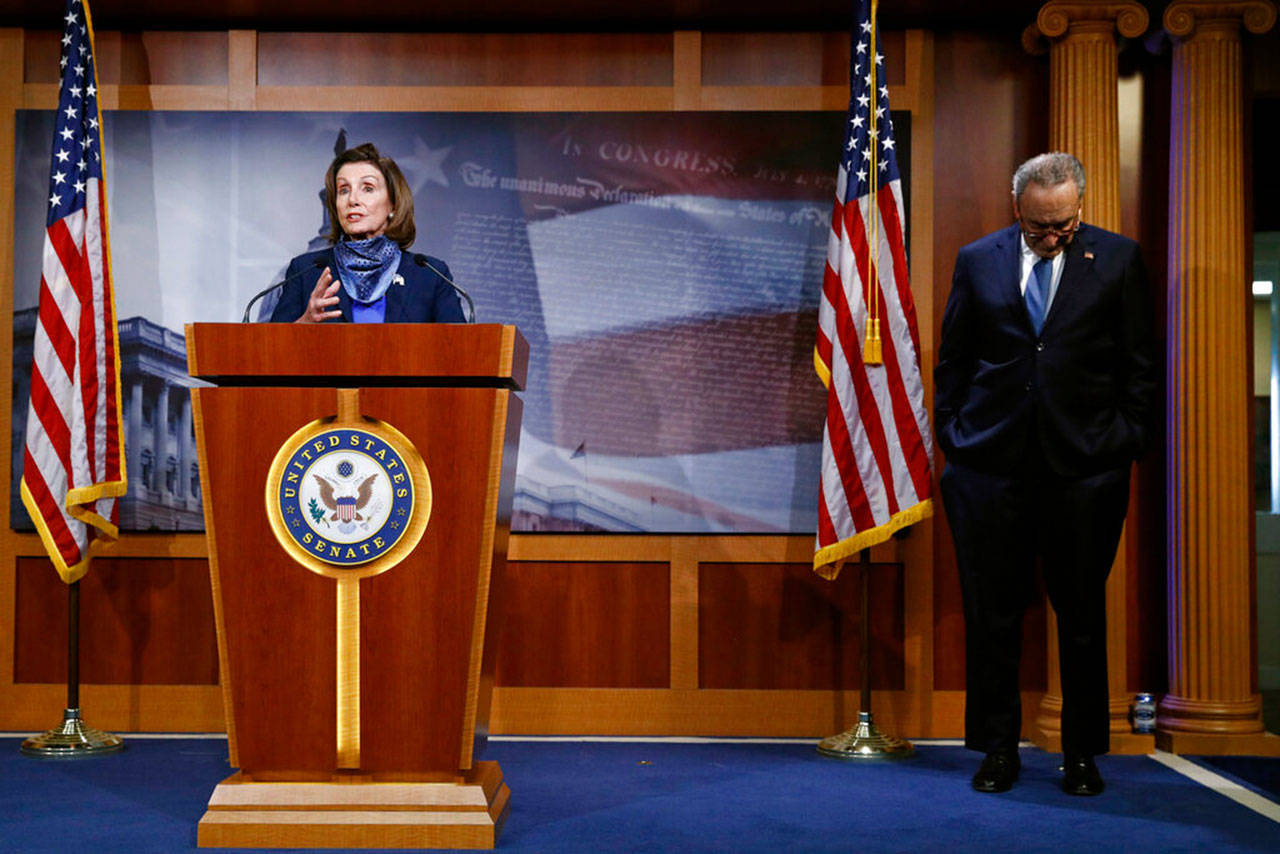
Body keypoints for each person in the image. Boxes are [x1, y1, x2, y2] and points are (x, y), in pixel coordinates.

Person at [934, 152, 1155, 796]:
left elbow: (1139, 363)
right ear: (1017, 209)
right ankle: (998, 750)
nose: (1052, 238)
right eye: (1039, 227)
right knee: (992, 614)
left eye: (1063, 225)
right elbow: (955, 357)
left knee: (1081, 615)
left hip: (1085, 469)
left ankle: (1082, 754)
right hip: (989, 468)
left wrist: (1125, 440)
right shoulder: (979, 259)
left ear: (1078, 208)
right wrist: (954, 435)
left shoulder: (1116, 259)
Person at [270, 142, 465, 324]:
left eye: (368, 188)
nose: (353, 199)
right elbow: (269, 352)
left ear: (394, 205)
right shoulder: (306, 271)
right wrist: (301, 326)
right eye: (343, 190)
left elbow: (461, 351)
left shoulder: (429, 275)